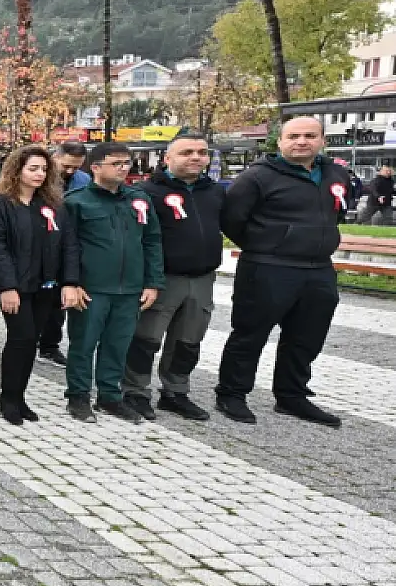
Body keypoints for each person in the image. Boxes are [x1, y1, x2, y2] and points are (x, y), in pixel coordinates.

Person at [215, 116, 351, 426]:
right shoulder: (256, 178)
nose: (301, 141)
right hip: (268, 267)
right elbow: (232, 220)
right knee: (250, 334)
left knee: (307, 336)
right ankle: (232, 393)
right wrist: (268, 244)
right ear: (279, 141)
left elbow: (337, 212)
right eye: (293, 136)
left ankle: (292, 396)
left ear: (322, 141)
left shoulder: (335, 174)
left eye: (309, 135)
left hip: (318, 269)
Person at [121, 133, 224, 421]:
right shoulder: (146, 192)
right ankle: (135, 391)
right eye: (186, 152)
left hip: (202, 279)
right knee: (145, 339)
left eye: (201, 152)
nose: (195, 157)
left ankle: (175, 392)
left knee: (188, 341)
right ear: (167, 159)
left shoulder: (214, 192)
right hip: (162, 279)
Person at [58, 142, 163, 423]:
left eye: (127, 163)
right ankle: (78, 396)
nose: (124, 169)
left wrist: (152, 282)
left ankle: (109, 396)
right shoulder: (76, 201)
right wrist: (71, 282)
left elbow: (152, 240)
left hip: (130, 289)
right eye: (116, 164)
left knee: (118, 344)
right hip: (91, 288)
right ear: (95, 167)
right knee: (83, 344)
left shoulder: (138, 199)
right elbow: (67, 246)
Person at [0, 146, 76, 424]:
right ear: (17, 170)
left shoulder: (53, 206)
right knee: (20, 338)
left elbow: (69, 245)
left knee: (31, 341)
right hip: (14, 288)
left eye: (44, 169)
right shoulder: (0, 205)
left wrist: (69, 282)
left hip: (45, 287)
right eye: (33, 168)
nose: (39, 174)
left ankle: (20, 397)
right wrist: (6, 287)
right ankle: (8, 399)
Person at [35, 143, 90, 367]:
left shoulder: (83, 181)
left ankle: (49, 346)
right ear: (55, 157)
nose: (70, 171)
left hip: (67, 245)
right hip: (40, 246)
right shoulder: (39, 175)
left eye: (76, 167)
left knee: (59, 304)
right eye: (66, 166)